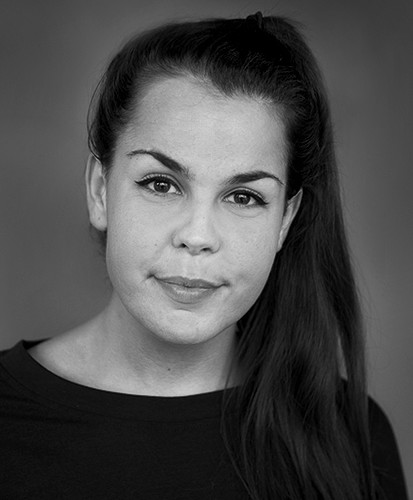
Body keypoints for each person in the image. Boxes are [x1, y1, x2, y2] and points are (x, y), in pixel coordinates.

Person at [0, 12, 408, 500]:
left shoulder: (350, 436)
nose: (197, 236)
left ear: (285, 219)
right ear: (100, 190)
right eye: (161, 184)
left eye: (243, 197)